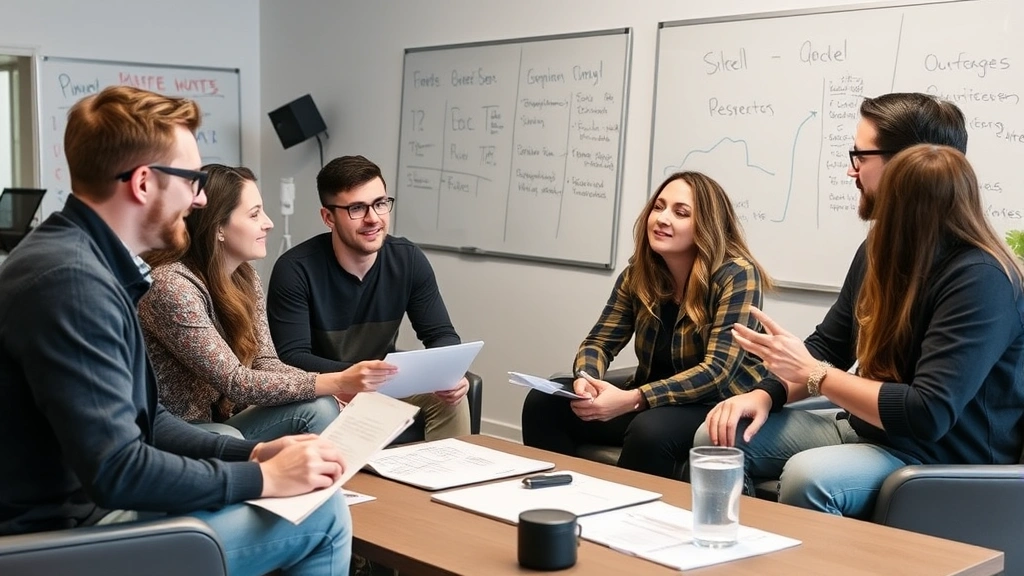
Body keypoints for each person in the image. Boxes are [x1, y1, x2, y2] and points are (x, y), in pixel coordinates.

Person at [0, 85, 352, 575]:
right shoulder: (73, 284)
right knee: (324, 517)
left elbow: (150, 420)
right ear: (143, 183)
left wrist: (251, 450)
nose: (200, 197)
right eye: (191, 179)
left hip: (82, 515)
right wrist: (260, 478)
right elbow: (119, 472)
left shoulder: (84, 262)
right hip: (56, 543)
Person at [699, 95, 1024, 519]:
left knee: (808, 476)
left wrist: (814, 375)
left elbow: (927, 414)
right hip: (868, 433)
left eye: (860, 155)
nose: (851, 168)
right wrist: (766, 393)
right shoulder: (878, 247)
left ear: (910, 163)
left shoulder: (982, 276)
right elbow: (831, 345)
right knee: (717, 435)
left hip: (939, 457)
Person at [521, 171, 775, 479]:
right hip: (650, 402)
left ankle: (627, 520)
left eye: (680, 213)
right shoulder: (639, 273)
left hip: (713, 403)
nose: (662, 219)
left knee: (649, 430)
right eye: (658, 207)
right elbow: (598, 343)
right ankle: (559, 503)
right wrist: (586, 381)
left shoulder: (736, 275)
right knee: (543, 402)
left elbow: (717, 372)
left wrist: (634, 399)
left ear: (707, 226)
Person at [138, 164, 398, 442]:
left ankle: (326, 484)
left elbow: (265, 361)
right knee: (227, 436)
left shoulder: (245, 276)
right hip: (169, 431)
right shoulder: (170, 285)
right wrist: (336, 381)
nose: (268, 222)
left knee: (320, 406)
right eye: (254, 214)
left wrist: (329, 391)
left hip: (221, 420)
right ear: (218, 228)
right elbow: (236, 382)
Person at [267, 155, 470, 441]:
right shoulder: (295, 269)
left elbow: (441, 334)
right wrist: (350, 377)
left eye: (380, 203)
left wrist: (450, 373)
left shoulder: (408, 260)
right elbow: (291, 357)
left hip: (382, 385)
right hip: (326, 392)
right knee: (322, 405)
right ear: (328, 217)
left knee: (450, 398)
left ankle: (450, 481)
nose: (373, 218)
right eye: (357, 208)